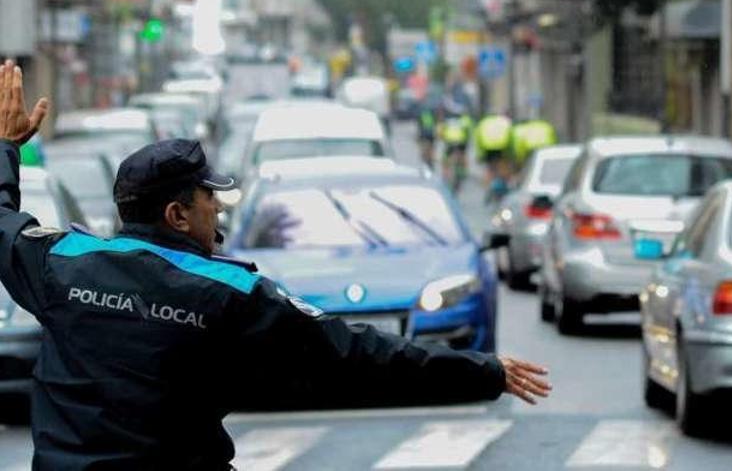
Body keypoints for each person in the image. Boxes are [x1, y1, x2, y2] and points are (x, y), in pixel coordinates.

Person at [0, 60, 551, 470]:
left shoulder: (61, 262)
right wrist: (484, 370)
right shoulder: (230, 291)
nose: (218, 209)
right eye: (208, 198)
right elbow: (359, 352)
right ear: (176, 213)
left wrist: (6, 147)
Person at [474, 113, 514, 204]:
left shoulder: (483, 123)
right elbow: (511, 140)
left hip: (487, 147)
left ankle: (488, 188)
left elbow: (478, 138)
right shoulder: (506, 122)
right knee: (503, 167)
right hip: (502, 146)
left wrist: (479, 154)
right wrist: (511, 155)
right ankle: (503, 186)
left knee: (490, 169)